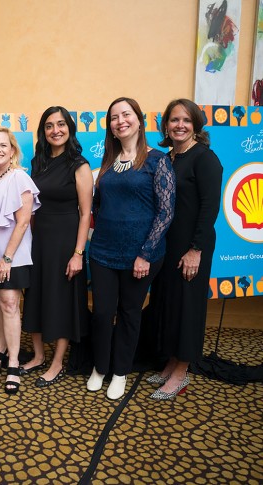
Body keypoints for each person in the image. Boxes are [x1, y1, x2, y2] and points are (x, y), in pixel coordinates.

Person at [87, 97, 175, 400]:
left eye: (126, 114)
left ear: (139, 120)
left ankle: (120, 372)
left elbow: (166, 212)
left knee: (128, 313)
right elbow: (99, 204)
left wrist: (145, 254)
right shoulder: (108, 162)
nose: (120, 121)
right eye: (113, 117)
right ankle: (100, 366)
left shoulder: (157, 160)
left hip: (140, 255)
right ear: (110, 126)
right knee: (101, 313)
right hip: (102, 252)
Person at [146, 99, 223, 400]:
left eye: (186, 120)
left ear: (196, 125)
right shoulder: (168, 158)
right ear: (165, 125)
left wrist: (196, 249)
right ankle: (171, 363)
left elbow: (209, 207)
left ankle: (181, 373)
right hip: (168, 245)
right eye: (174, 120)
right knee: (171, 305)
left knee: (188, 308)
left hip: (193, 246)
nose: (179, 125)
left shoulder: (205, 158)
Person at [20, 106, 93, 388]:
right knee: (35, 296)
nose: (55, 130)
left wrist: (78, 254)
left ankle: (58, 362)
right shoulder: (39, 163)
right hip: (39, 242)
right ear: (43, 131)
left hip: (66, 243)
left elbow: (86, 213)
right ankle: (38, 355)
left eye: (61, 124)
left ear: (70, 128)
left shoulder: (80, 165)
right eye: (49, 126)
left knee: (63, 302)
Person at [0, 127, 40, 394]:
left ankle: (14, 362)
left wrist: (7, 258)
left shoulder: (19, 178)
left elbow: (24, 221)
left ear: (13, 150)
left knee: (9, 303)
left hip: (12, 254)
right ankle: (0, 350)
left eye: (4, 145)